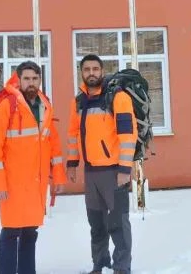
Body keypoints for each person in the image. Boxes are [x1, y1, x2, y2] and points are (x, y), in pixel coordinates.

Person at [0, 61, 66, 274]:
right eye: (27, 79)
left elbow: (54, 146)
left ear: (40, 80)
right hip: (12, 183)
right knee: (11, 231)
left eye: (35, 79)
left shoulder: (45, 105)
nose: (31, 83)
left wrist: (58, 177)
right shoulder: (6, 106)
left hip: (36, 184)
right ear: (18, 79)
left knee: (30, 231)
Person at [67, 54, 137, 274]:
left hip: (114, 171)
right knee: (96, 224)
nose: (91, 73)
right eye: (86, 69)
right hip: (91, 174)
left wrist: (125, 170)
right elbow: (73, 134)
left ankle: (122, 267)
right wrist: (72, 162)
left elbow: (128, 136)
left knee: (118, 223)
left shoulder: (118, 98)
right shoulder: (79, 101)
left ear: (102, 71)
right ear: (81, 72)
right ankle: (100, 262)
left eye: (95, 69)